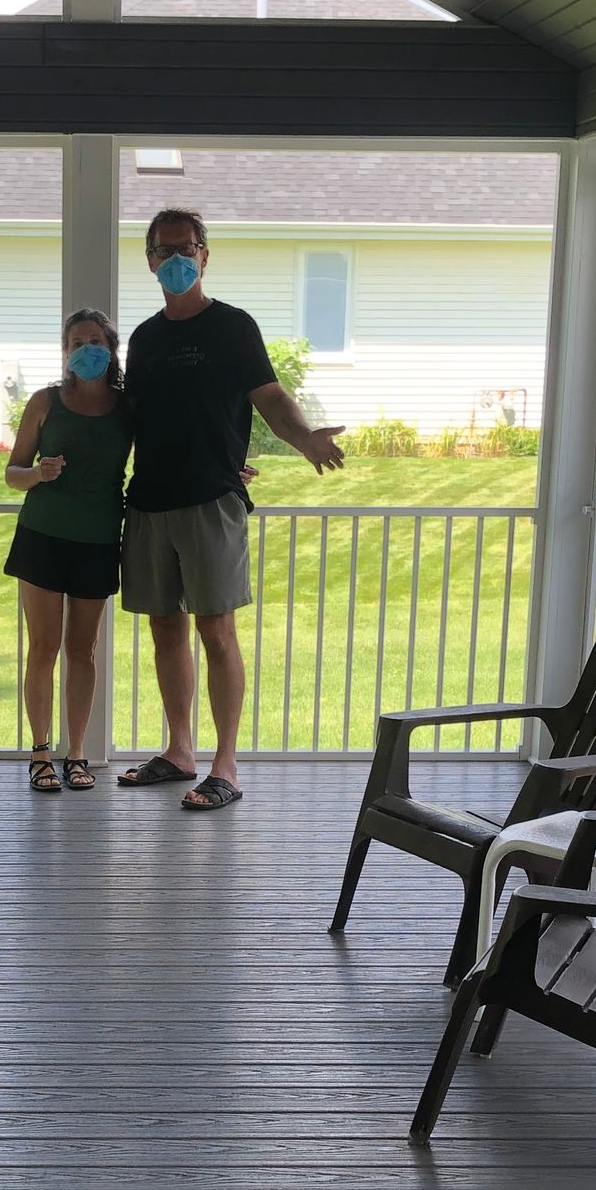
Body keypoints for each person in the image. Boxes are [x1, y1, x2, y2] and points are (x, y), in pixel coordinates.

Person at [117, 205, 345, 812]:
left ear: (205, 254)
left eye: (186, 248)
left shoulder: (233, 327)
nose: (175, 259)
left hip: (211, 501)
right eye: (164, 250)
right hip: (148, 501)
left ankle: (225, 765)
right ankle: (180, 752)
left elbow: (269, 396)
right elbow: (133, 419)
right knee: (163, 627)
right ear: (149, 260)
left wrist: (304, 439)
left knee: (215, 630)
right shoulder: (143, 338)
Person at [2, 307, 132, 794]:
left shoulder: (127, 406)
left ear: (111, 348)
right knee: (44, 647)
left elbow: (171, 449)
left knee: (84, 649)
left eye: (95, 341)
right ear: (65, 352)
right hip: (42, 537)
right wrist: (39, 473)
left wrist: (226, 468)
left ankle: (76, 754)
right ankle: (41, 753)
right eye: (76, 343)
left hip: (99, 541)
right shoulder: (43, 401)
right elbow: (12, 472)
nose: (86, 350)